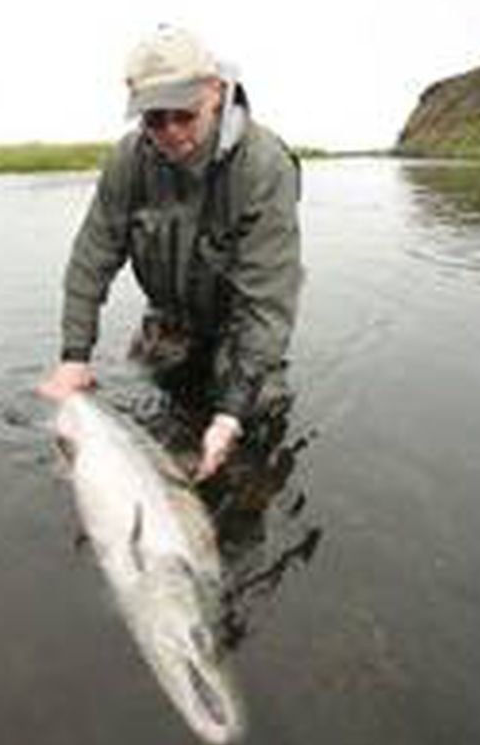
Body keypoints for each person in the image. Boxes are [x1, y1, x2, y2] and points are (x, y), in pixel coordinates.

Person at [37, 25, 302, 480]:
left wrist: (229, 416)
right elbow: (92, 258)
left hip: (239, 325)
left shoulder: (264, 166)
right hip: (171, 318)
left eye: (183, 113)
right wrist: (74, 357)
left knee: (255, 413)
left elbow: (267, 302)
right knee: (159, 390)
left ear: (214, 92)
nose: (170, 131)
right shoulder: (129, 160)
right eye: (154, 119)